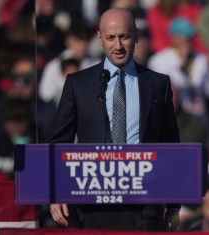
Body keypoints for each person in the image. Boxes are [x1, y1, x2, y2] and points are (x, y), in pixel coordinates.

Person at [49, 8, 180, 231]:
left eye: (124, 37)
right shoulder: (78, 84)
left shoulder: (158, 84)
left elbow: (171, 144)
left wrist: (174, 205)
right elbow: (60, 141)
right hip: (92, 200)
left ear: (136, 36)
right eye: (110, 37)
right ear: (99, 39)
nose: (118, 46)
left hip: (145, 200)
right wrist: (55, 192)